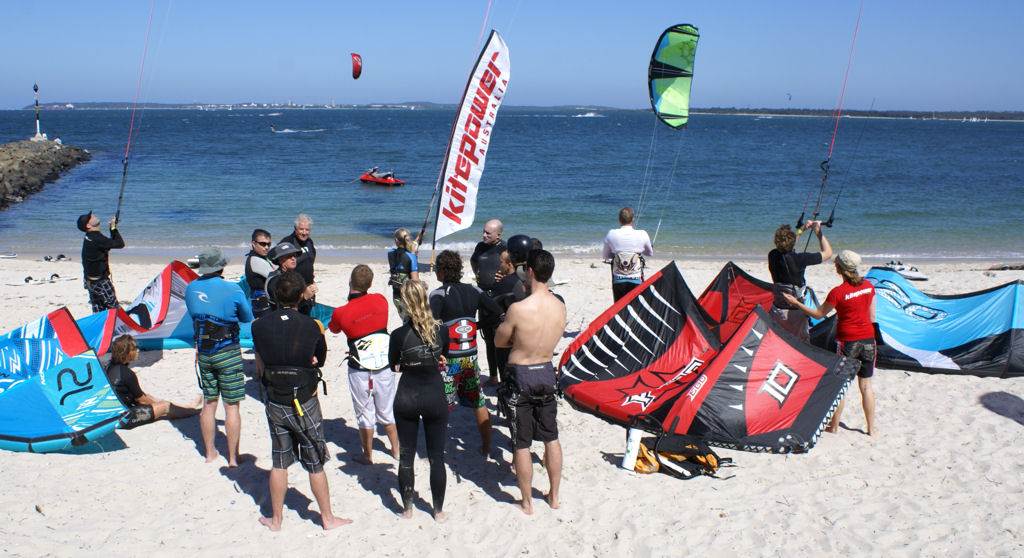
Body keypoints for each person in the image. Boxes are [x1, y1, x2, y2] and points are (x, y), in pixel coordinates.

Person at [251, 270, 351, 531]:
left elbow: (260, 363)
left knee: (279, 460)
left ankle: (276, 520)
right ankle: (327, 518)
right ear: (300, 295)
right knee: (314, 462)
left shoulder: (258, 325)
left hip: (275, 398)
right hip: (303, 399)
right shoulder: (312, 326)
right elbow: (321, 359)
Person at [495, 249, 566, 515]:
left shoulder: (518, 308)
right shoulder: (560, 306)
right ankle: (554, 496)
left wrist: (517, 338)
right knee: (551, 437)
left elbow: (499, 341)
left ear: (531, 273)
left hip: (521, 374)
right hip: (546, 370)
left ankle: (527, 501)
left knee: (521, 442)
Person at [783, 249, 877, 436]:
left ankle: (834, 427)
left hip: (848, 342)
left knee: (839, 386)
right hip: (869, 340)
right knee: (866, 386)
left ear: (840, 269)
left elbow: (818, 314)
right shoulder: (869, 286)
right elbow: (872, 316)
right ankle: (872, 429)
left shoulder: (838, 292)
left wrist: (796, 303)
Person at [184, 247, 254, 467]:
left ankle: (210, 453)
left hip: (204, 352)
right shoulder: (232, 289)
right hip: (228, 351)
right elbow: (247, 317)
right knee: (231, 406)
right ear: (221, 266)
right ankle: (233, 457)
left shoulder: (190, 288)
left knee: (209, 403)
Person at [429, 250, 502, 456]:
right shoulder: (474, 290)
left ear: (443, 271)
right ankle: (486, 445)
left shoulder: (438, 294)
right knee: (478, 400)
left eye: (437, 269)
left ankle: (438, 448)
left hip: (449, 359)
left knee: (443, 404)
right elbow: (496, 311)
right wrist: (477, 325)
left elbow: (431, 325)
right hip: (470, 358)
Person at [389, 280, 451, 521]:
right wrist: (434, 359)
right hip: (434, 393)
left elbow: (393, 365)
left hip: (407, 395)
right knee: (437, 457)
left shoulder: (397, 335)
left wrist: (409, 362)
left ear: (404, 304)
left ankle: (407, 509)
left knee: (407, 455)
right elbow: (440, 355)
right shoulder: (441, 330)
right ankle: (438, 511)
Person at [327, 265, 399, 464]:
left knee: (364, 413)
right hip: (384, 364)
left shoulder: (341, 312)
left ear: (350, 282)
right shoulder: (380, 300)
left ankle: (367, 456)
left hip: (360, 368)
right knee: (387, 410)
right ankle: (396, 450)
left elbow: (333, 329)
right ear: (370, 283)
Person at [105, 334, 201, 428]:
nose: (138, 351)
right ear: (126, 353)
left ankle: (187, 406)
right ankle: (194, 411)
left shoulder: (108, 367)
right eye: (134, 349)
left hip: (110, 413)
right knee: (165, 406)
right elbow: (142, 400)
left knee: (152, 398)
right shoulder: (127, 374)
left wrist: (155, 401)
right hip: (123, 418)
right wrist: (159, 405)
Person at [768, 220, 833, 341]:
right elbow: (828, 253)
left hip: (777, 308)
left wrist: (802, 229)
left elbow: (786, 245)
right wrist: (818, 232)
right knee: (801, 343)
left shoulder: (772, 255)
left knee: (781, 340)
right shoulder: (800, 259)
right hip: (796, 311)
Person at [471, 219, 506, 385]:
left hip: (500, 298)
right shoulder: (480, 246)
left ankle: (505, 376)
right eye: (483, 231)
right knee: (488, 340)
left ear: (498, 235)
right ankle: (493, 377)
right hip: (483, 296)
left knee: (502, 340)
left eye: (488, 233)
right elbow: (474, 261)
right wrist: (479, 274)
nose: (483, 235)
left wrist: (504, 277)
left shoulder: (506, 249)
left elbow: (516, 269)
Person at [602, 207, 654, 302]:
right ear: (633, 219)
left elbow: (605, 256)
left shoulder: (611, 234)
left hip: (618, 280)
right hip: (636, 279)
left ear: (619, 219)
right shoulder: (642, 233)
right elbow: (650, 253)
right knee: (635, 309)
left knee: (619, 309)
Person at [78, 210, 125, 312]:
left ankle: (100, 325)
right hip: (99, 282)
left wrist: (113, 228)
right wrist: (113, 228)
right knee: (114, 308)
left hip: (90, 280)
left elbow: (107, 244)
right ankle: (122, 324)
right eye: (90, 218)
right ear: (89, 226)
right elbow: (119, 244)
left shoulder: (90, 236)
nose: (93, 216)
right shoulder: (97, 238)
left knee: (98, 308)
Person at [266, 242, 315, 314]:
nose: (293, 258)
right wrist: (304, 297)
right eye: (289, 256)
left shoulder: (293, 275)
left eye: (294, 255)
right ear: (280, 259)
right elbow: (283, 308)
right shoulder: (275, 281)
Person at [280, 213, 318, 301]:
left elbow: (311, 260)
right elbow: (274, 258)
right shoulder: (288, 242)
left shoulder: (309, 242)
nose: (304, 232)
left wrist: (312, 279)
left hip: (309, 286)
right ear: (295, 229)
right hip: (294, 288)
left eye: (307, 230)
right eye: (301, 229)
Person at [387, 228, 420, 320]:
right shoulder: (411, 257)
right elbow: (415, 281)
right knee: (413, 320)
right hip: (409, 296)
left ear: (396, 241)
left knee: (405, 319)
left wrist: (417, 239)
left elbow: (403, 250)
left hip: (397, 295)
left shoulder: (390, 254)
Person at [244, 229, 274, 318]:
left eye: (269, 244)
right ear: (253, 243)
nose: (266, 247)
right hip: (264, 307)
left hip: (260, 305)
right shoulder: (256, 260)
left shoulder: (261, 257)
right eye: (263, 244)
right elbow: (278, 278)